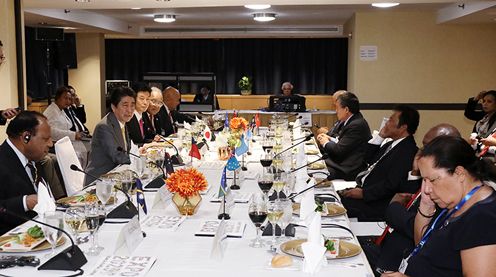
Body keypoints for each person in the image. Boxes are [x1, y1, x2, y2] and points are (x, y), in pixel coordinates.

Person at [381, 136, 496, 277]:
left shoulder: (483, 217)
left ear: (459, 173)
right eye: (424, 180)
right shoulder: (457, 202)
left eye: (432, 180)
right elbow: (423, 246)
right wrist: (426, 205)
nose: (427, 189)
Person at [363, 124, 461, 276]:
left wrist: (394, 206)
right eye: (423, 146)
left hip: (399, 259)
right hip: (389, 248)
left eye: (429, 148)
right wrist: (415, 172)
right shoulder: (429, 177)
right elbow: (408, 198)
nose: (421, 152)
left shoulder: (451, 194)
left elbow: (414, 227)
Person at [339, 105, 419, 221]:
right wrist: (380, 136)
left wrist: (364, 194)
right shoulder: (391, 144)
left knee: (331, 206)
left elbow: (391, 184)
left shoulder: (408, 151)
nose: (387, 122)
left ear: (402, 127)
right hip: (364, 191)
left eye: (391, 120)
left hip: (375, 204)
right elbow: (367, 159)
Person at [0, 111, 53, 235]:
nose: (50, 144)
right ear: (26, 137)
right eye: (45, 139)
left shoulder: (33, 157)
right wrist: (24, 202)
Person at [84, 87, 134, 185]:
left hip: (116, 178)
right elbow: (118, 156)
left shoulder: (121, 122)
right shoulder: (104, 127)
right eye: (125, 105)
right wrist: (142, 160)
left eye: (132, 105)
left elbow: (126, 151)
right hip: (99, 182)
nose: (129, 110)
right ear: (113, 107)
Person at [316, 92, 371, 180]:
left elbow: (339, 151)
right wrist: (330, 139)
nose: (336, 111)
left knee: (315, 173)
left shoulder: (356, 124)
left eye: (337, 108)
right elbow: (344, 143)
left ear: (346, 109)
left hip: (347, 169)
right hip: (341, 163)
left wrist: (325, 142)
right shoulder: (352, 120)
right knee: (312, 167)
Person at [43, 86, 88, 167]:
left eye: (70, 99)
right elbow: (51, 131)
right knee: (77, 156)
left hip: (65, 142)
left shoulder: (62, 110)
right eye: (65, 98)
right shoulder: (51, 111)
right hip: (55, 145)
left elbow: (70, 124)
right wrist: (73, 135)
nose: (68, 101)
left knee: (86, 151)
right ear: (57, 98)